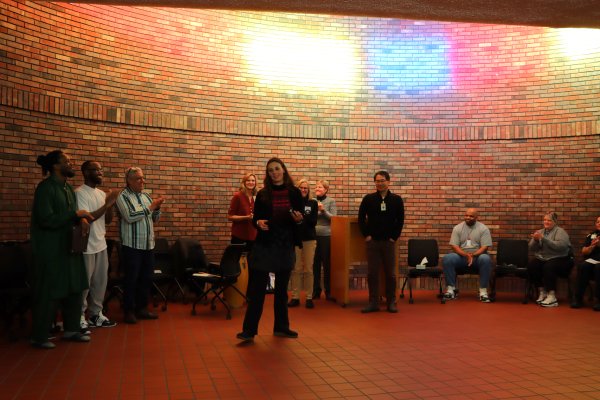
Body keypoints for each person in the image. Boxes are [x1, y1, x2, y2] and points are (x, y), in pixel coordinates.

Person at [30, 150, 95, 349]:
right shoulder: (45, 188)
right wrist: (76, 214)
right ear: (56, 166)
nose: (71, 164)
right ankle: (40, 336)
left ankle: (72, 329)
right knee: (50, 291)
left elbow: (72, 215)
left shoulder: (67, 189)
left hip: (69, 248)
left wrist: (82, 219)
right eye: (67, 161)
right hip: (50, 250)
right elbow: (46, 219)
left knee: (75, 287)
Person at [237, 157, 303, 342]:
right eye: (270, 170)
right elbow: (255, 219)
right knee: (257, 291)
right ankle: (249, 331)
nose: (274, 172)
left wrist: (299, 219)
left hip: (285, 244)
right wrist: (258, 223)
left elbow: (300, 219)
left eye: (276, 169)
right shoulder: (264, 194)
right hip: (265, 245)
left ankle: (282, 327)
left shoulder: (295, 193)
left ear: (283, 170)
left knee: (281, 291)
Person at [116, 167, 165, 324]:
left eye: (143, 178)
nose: (142, 181)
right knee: (131, 279)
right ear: (129, 180)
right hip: (132, 246)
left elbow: (154, 219)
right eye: (138, 178)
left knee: (146, 278)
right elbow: (130, 217)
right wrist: (151, 207)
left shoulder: (146, 196)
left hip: (148, 245)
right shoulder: (123, 196)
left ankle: (142, 309)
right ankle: (128, 311)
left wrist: (157, 209)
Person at [76, 161, 120, 330]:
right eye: (96, 170)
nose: (101, 172)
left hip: (101, 244)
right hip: (86, 246)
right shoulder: (80, 193)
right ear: (86, 172)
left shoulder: (101, 194)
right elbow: (88, 218)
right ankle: (79, 316)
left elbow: (107, 220)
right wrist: (107, 204)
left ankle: (96, 314)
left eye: (101, 169)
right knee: (84, 284)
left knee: (100, 282)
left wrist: (110, 204)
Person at [358, 171, 404, 313]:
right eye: (377, 181)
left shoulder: (396, 199)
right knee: (372, 273)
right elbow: (361, 218)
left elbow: (400, 220)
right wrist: (367, 235)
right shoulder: (369, 199)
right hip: (373, 243)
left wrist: (393, 238)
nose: (379, 183)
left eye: (382, 180)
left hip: (388, 243)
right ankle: (373, 302)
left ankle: (391, 302)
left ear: (389, 181)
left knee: (390, 273)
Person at [442, 208, 493, 302]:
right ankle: (451, 290)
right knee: (448, 258)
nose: (468, 217)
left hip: (477, 257)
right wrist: (466, 255)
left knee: (485, 258)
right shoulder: (457, 228)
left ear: (476, 217)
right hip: (461, 257)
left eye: (471, 216)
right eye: (466, 215)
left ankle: (483, 291)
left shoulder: (483, 228)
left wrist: (472, 255)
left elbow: (485, 247)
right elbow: (454, 246)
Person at [527, 211, 572, 308]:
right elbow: (531, 248)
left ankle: (552, 296)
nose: (546, 222)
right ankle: (542, 291)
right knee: (532, 265)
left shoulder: (560, 232)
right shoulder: (540, 231)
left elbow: (561, 247)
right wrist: (535, 240)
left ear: (555, 222)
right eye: (544, 220)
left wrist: (543, 239)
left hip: (561, 258)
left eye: (549, 220)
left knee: (549, 267)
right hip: (544, 258)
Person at [288, 179, 318, 309]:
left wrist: (301, 219)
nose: (304, 190)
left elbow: (313, 221)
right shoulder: (292, 203)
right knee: (296, 269)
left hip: (309, 240)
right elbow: (290, 221)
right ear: (297, 189)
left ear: (309, 190)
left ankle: (309, 297)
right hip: (295, 239)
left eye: (306, 188)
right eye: (301, 188)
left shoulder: (313, 203)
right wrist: (298, 220)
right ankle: (295, 297)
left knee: (308, 269)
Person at [312, 180, 337, 301]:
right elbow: (309, 217)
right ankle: (316, 291)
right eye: (316, 187)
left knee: (327, 264)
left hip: (326, 236)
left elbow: (334, 218)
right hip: (313, 235)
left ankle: (328, 291)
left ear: (326, 189)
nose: (317, 188)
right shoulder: (311, 201)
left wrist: (323, 210)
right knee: (315, 264)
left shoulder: (331, 201)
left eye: (320, 187)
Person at [571, 216, 600, 311]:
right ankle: (578, 299)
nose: (599, 223)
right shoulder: (591, 235)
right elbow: (584, 251)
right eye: (597, 222)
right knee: (583, 266)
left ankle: (598, 300)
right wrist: (592, 246)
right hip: (592, 260)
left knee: (598, 268)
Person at [227, 173, 257, 247]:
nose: (251, 182)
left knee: (252, 258)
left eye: (253, 180)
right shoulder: (238, 196)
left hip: (254, 236)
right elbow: (230, 217)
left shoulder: (257, 196)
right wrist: (246, 217)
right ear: (244, 182)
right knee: (236, 258)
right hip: (239, 236)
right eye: (248, 180)